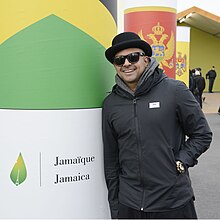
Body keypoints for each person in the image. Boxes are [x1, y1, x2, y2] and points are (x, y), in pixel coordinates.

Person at [102, 32, 212, 219]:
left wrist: (181, 161)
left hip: (173, 201)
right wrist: (115, 207)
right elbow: (111, 161)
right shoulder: (111, 104)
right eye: (119, 60)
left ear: (146, 60)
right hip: (130, 205)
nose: (126, 63)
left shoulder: (175, 90)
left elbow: (202, 134)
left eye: (133, 57)